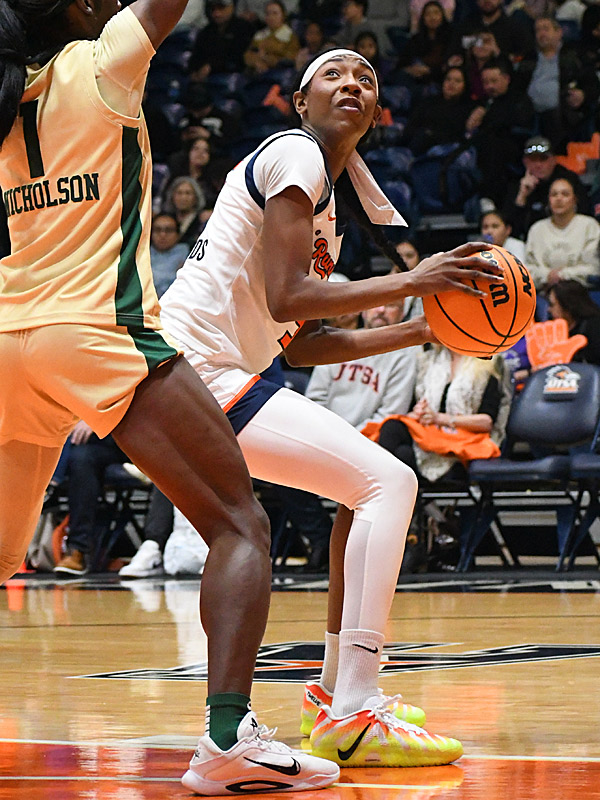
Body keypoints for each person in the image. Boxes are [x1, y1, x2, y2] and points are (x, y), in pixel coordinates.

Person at [0, 0, 340, 793]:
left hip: (7, 342)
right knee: (239, 523)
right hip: (94, 333)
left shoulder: (6, 98)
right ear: (82, 10)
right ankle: (228, 740)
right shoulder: (103, 59)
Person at [159, 47, 505, 767]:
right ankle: (355, 707)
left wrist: (420, 327)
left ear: (376, 111)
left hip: (209, 373)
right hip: (195, 371)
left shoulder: (326, 204)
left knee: (361, 492)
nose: (353, 83)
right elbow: (291, 297)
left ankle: (336, 694)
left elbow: (298, 344)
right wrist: (415, 279)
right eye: (334, 76)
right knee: (390, 481)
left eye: (368, 79)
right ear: (300, 102)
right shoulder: (296, 154)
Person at [376, 345, 509, 485]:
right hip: (430, 437)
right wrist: (419, 412)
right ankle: (410, 501)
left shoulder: (488, 364)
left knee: (403, 459)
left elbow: (487, 422)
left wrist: (441, 418)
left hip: (465, 441)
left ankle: (410, 502)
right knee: (392, 429)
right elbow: (416, 406)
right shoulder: (429, 360)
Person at [305, 299, 418, 431]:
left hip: (366, 442)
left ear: (402, 315)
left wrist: (351, 438)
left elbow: (389, 414)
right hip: (321, 430)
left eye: (390, 305)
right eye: (375, 303)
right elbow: (314, 398)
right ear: (363, 311)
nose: (381, 310)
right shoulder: (337, 342)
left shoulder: (405, 357)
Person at [53, 422, 130, 575]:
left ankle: (51, 483)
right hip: (104, 441)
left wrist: (99, 419)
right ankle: (77, 550)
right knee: (81, 457)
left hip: (141, 433)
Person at [514, 16, 600, 152]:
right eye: (538, 30)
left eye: (546, 29)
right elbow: (517, 88)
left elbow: (593, 85)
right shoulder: (529, 58)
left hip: (564, 113)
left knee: (554, 118)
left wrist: (583, 94)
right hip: (530, 114)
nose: (541, 34)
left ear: (559, 32)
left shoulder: (575, 55)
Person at [466, 57, 534, 208]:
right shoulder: (483, 103)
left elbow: (520, 124)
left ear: (506, 79)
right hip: (484, 150)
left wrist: (489, 117)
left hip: (513, 147)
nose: (489, 86)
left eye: (494, 81)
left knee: (494, 145)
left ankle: (488, 198)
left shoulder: (520, 99)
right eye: (485, 82)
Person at [503, 135, 592, 240]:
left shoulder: (569, 180)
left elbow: (584, 213)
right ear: (525, 162)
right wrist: (522, 197)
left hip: (569, 237)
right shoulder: (517, 186)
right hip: (533, 242)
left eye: (543, 159)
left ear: (554, 160)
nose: (538, 165)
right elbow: (510, 230)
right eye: (533, 159)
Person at [525, 177, 600, 290]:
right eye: (554, 195)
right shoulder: (536, 229)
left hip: (581, 293)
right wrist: (547, 276)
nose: (559, 198)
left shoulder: (589, 226)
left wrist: (563, 275)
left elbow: (594, 268)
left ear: (574, 200)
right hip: (544, 292)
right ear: (549, 200)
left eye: (565, 194)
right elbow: (528, 269)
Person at [402, 65, 474, 155]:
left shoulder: (468, 108)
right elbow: (412, 125)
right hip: (416, 144)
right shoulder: (429, 101)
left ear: (465, 85)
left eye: (457, 81)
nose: (451, 84)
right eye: (448, 79)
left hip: (444, 150)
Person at [187, 0, 255, 81]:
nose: (217, 13)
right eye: (213, 9)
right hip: (205, 79)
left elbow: (238, 58)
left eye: (221, 8)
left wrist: (211, 67)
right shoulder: (206, 31)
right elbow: (196, 56)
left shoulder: (244, 28)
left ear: (232, 7)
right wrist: (194, 71)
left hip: (233, 76)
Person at [547, 279, 600, 366]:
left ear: (567, 306)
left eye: (552, 305)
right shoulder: (552, 328)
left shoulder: (594, 327)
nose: (548, 310)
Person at [244, 0, 300, 74]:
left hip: (280, 74)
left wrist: (266, 58)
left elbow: (290, 59)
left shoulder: (290, 36)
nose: (271, 17)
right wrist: (257, 62)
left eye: (275, 13)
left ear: (283, 15)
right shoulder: (259, 35)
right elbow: (248, 55)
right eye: (268, 14)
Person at [149, 213, 189, 297]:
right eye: (157, 230)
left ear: (178, 234)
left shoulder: (187, 253)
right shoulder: (142, 253)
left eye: (168, 230)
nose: (162, 235)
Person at [163, 178, 207, 248]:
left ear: (196, 197)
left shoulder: (202, 220)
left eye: (188, 193)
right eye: (179, 193)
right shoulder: (165, 218)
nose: (183, 198)